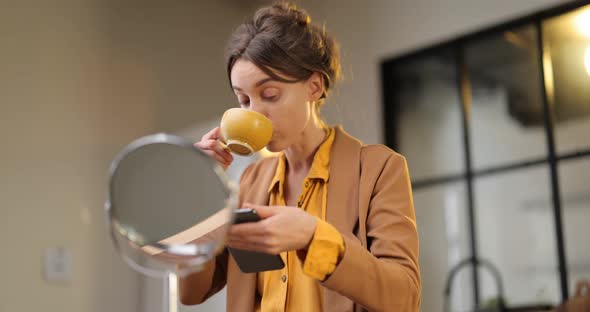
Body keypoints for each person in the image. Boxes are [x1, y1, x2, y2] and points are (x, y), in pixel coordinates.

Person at [180, 2, 420, 311]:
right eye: (244, 100)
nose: (255, 113)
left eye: (270, 95)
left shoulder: (378, 170)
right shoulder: (251, 181)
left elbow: (404, 297)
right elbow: (191, 293)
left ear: (314, 87)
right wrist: (202, 192)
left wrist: (313, 237)